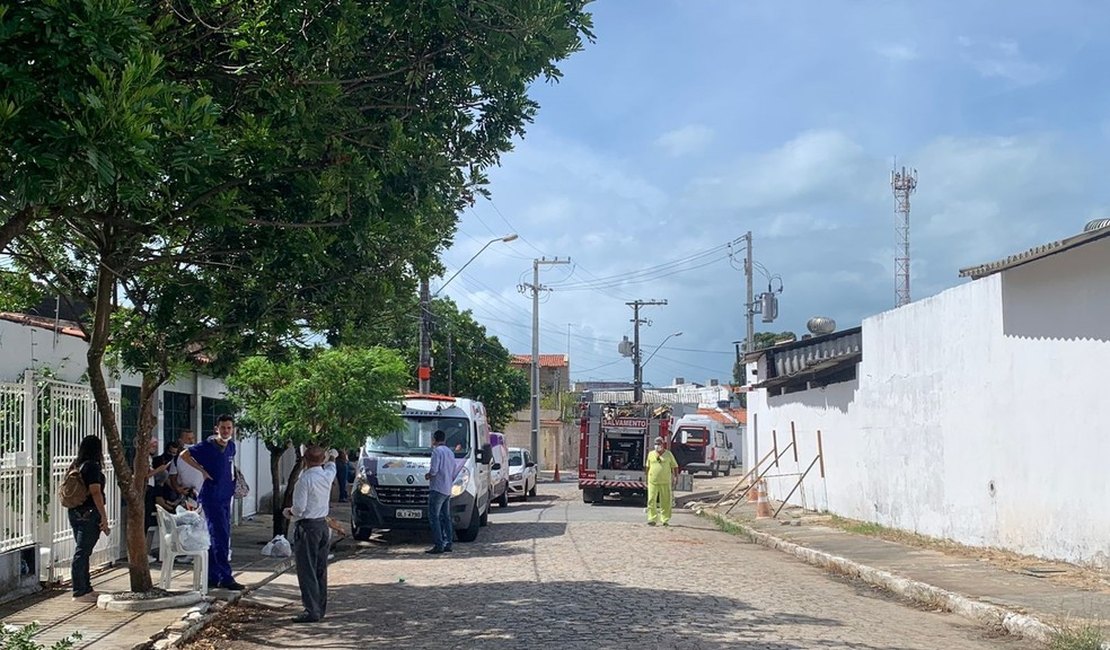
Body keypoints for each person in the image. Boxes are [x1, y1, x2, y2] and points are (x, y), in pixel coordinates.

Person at [180, 415, 244, 590]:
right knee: (219, 537)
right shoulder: (206, 446)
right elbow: (184, 455)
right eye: (223, 428)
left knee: (220, 536)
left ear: (233, 429)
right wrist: (201, 470)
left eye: (229, 428)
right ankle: (225, 577)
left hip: (225, 495)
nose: (225, 431)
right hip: (212, 497)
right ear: (217, 428)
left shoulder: (231, 446)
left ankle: (213, 575)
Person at [283, 446, 337, 623]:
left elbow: (300, 508)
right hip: (322, 525)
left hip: (307, 527)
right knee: (320, 568)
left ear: (304, 460)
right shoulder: (326, 476)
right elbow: (332, 466)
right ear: (321, 460)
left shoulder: (304, 480)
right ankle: (320, 608)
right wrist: (332, 456)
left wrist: (288, 512)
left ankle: (311, 610)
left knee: (307, 570)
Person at [67, 435, 110, 602]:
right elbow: (95, 492)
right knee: (82, 552)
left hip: (75, 511)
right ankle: (79, 591)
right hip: (89, 512)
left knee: (83, 551)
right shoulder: (92, 467)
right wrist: (104, 516)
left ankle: (86, 588)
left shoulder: (77, 464)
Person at [423, 429, 455, 554]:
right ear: (444, 439)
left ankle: (438, 544)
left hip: (437, 488)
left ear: (434, 439)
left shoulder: (436, 451)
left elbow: (434, 470)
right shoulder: (450, 452)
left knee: (434, 517)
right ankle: (448, 542)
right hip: (447, 488)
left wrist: (428, 475)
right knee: (446, 517)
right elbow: (453, 469)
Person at [645, 436, 679, 526]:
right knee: (651, 500)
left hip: (665, 481)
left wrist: (676, 477)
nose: (657, 446)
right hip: (653, 481)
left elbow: (675, 466)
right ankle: (652, 518)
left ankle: (665, 519)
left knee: (666, 501)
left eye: (659, 443)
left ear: (663, 444)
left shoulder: (668, 454)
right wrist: (646, 478)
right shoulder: (651, 454)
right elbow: (647, 467)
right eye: (655, 444)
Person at [168, 429, 202, 499]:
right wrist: (178, 488)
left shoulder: (202, 454)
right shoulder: (176, 459)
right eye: (188, 439)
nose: (191, 441)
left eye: (192, 438)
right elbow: (172, 477)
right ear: (181, 441)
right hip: (188, 496)